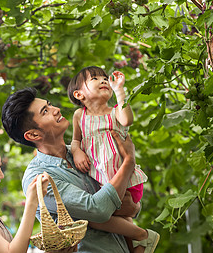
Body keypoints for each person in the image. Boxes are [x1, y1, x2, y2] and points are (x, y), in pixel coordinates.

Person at [2, 87, 159, 253]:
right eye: (45, 111)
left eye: (50, 105)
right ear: (33, 135)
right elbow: (98, 209)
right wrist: (129, 161)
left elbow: (127, 200)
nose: (56, 110)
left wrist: (133, 207)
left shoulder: (86, 151)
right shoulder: (39, 178)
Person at [67, 66, 158, 252]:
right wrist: (77, 152)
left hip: (126, 179)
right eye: (94, 78)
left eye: (104, 77)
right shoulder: (79, 116)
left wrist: (119, 91)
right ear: (79, 94)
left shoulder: (115, 111)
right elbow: (75, 141)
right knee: (124, 224)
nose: (103, 80)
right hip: (103, 180)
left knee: (96, 218)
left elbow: (127, 121)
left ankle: (145, 235)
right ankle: (141, 244)